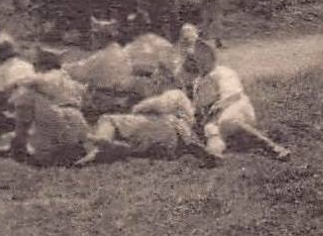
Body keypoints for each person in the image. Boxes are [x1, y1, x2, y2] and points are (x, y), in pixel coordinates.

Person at [187, 39, 290, 161]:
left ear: (211, 56)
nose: (199, 61)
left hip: (236, 107)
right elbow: (199, 104)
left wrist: (216, 108)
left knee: (227, 120)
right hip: (213, 115)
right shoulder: (198, 81)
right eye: (196, 57)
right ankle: (214, 155)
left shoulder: (222, 72)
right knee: (210, 129)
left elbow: (232, 94)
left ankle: (272, 147)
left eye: (202, 55)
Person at [74, 86, 213, 166]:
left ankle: (101, 142)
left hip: (161, 124)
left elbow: (160, 104)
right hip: (170, 143)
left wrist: (138, 108)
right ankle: (118, 150)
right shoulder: (191, 124)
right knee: (132, 141)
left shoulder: (177, 94)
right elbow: (197, 146)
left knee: (108, 119)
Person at [9, 46, 91, 166]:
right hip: (78, 126)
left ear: (44, 65)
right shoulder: (70, 81)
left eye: (35, 64)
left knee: (27, 95)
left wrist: (14, 85)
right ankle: (69, 151)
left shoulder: (51, 76)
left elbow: (38, 81)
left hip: (61, 120)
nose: (34, 67)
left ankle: (19, 143)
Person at [64, 16, 137, 115]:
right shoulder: (123, 53)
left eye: (94, 35)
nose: (92, 38)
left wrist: (62, 67)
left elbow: (79, 73)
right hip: (121, 100)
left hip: (104, 102)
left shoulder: (102, 56)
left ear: (101, 37)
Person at [123, 19, 182, 100]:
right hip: (134, 88)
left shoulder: (161, 44)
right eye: (131, 25)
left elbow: (172, 69)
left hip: (156, 86)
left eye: (136, 24)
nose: (133, 27)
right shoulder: (130, 46)